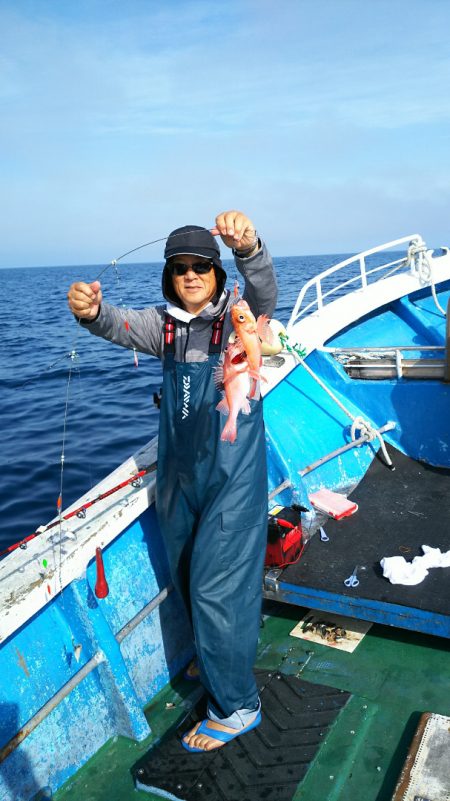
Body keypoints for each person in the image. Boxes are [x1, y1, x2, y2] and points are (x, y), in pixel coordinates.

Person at [67, 210, 277, 752]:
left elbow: (262, 290)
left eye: (201, 266)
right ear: (169, 276)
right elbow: (113, 323)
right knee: (185, 574)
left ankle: (238, 705)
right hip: (180, 475)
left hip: (232, 477)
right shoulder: (161, 326)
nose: (191, 275)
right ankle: (215, 657)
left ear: (217, 273)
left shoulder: (239, 319)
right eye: (180, 268)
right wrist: (90, 312)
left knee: (215, 588)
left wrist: (249, 248)